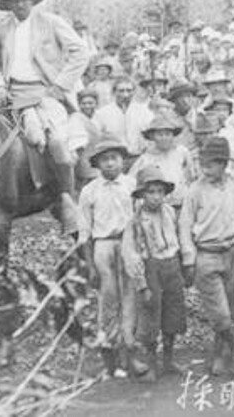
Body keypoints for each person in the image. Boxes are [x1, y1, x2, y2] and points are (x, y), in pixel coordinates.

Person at [0, 0, 90, 235]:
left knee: (56, 141)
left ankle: (66, 199)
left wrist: (60, 84)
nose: (20, 4)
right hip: (12, 94)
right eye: (15, 0)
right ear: (9, 5)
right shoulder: (2, 29)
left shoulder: (51, 22)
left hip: (45, 92)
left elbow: (80, 52)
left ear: (32, 1)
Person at [180, 137, 234, 375]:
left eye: (212, 164)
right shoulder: (195, 190)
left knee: (229, 308)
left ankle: (218, 352)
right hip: (207, 253)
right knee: (220, 313)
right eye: (203, 163)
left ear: (224, 164)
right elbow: (185, 225)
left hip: (231, 250)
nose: (205, 169)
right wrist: (189, 258)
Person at [77, 136, 148, 378]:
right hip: (103, 246)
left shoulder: (132, 185)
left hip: (128, 243)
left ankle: (130, 354)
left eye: (114, 158)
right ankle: (112, 354)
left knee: (130, 297)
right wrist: (90, 266)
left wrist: (140, 249)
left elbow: (141, 219)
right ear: (97, 164)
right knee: (108, 300)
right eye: (104, 160)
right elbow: (84, 231)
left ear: (123, 160)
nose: (110, 164)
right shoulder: (89, 191)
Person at [123, 165, 187, 379]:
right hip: (151, 269)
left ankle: (169, 360)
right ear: (142, 194)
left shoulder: (169, 212)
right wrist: (142, 284)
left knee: (173, 314)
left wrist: (183, 264)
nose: (156, 197)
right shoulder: (136, 222)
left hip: (171, 266)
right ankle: (151, 364)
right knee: (150, 317)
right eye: (151, 192)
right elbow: (131, 255)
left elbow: (178, 239)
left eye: (160, 192)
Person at [129, 115, 194, 214]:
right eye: (160, 134)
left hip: (182, 204)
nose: (164, 138)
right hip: (159, 206)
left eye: (167, 134)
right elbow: (132, 182)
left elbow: (191, 176)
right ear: (153, 136)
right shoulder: (146, 158)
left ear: (173, 135)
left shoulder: (182, 152)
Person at [94, 77, 156, 167]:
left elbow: (152, 135)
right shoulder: (102, 113)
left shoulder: (144, 111)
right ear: (114, 92)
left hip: (139, 158)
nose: (125, 95)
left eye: (129, 90)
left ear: (134, 92)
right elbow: (96, 137)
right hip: (114, 161)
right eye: (121, 91)